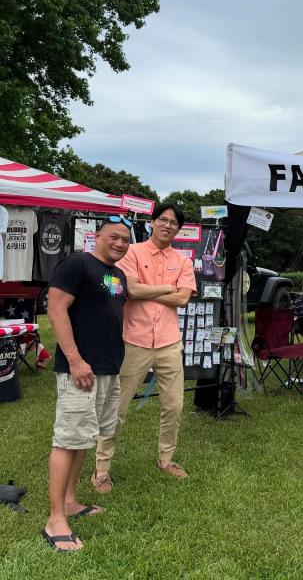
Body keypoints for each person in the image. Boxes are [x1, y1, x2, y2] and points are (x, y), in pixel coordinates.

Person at [93, 203, 196, 492]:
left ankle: (166, 459)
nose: (167, 225)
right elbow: (131, 290)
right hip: (133, 341)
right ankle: (102, 468)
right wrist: (166, 288)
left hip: (169, 342)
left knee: (174, 405)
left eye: (173, 222)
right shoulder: (132, 252)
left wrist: (147, 290)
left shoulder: (183, 261)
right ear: (152, 222)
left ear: (178, 229)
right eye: (163, 219)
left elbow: (183, 299)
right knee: (117, 407)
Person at [43, 216, 131, 552]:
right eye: (114, 237)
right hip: (80, 369)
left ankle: (69, 502)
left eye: (126, 239)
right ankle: (55, 520)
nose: (120, 243)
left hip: (106, 370)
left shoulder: (117, 275)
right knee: (67, 439)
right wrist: (76, 360)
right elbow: (56, 310)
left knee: (83, 438)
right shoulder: (76, 264)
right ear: (98, 236)